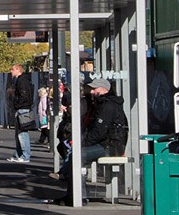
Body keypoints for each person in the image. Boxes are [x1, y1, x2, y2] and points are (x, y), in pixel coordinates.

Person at [54, 77, 128, 206]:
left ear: (104, 89)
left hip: (110, 147)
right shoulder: (101, 104)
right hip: (107, 144)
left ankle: (78, 193)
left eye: (95, 89)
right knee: (74, 154)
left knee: (77, 155)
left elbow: (99, 131)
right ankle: (73, 192)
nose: (92, 92)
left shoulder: (107, 106)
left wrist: (83, 144)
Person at [7, 63, 34, 163]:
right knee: (19, 133)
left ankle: (25, 155)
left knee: (22, 133)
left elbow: (24, 95)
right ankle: (18, 154)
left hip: (22, 109)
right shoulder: (23, 80)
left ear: (18, 70)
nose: (11, 71)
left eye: (12, 69)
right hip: (23, 108)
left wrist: (17, 104)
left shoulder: (21, 80)